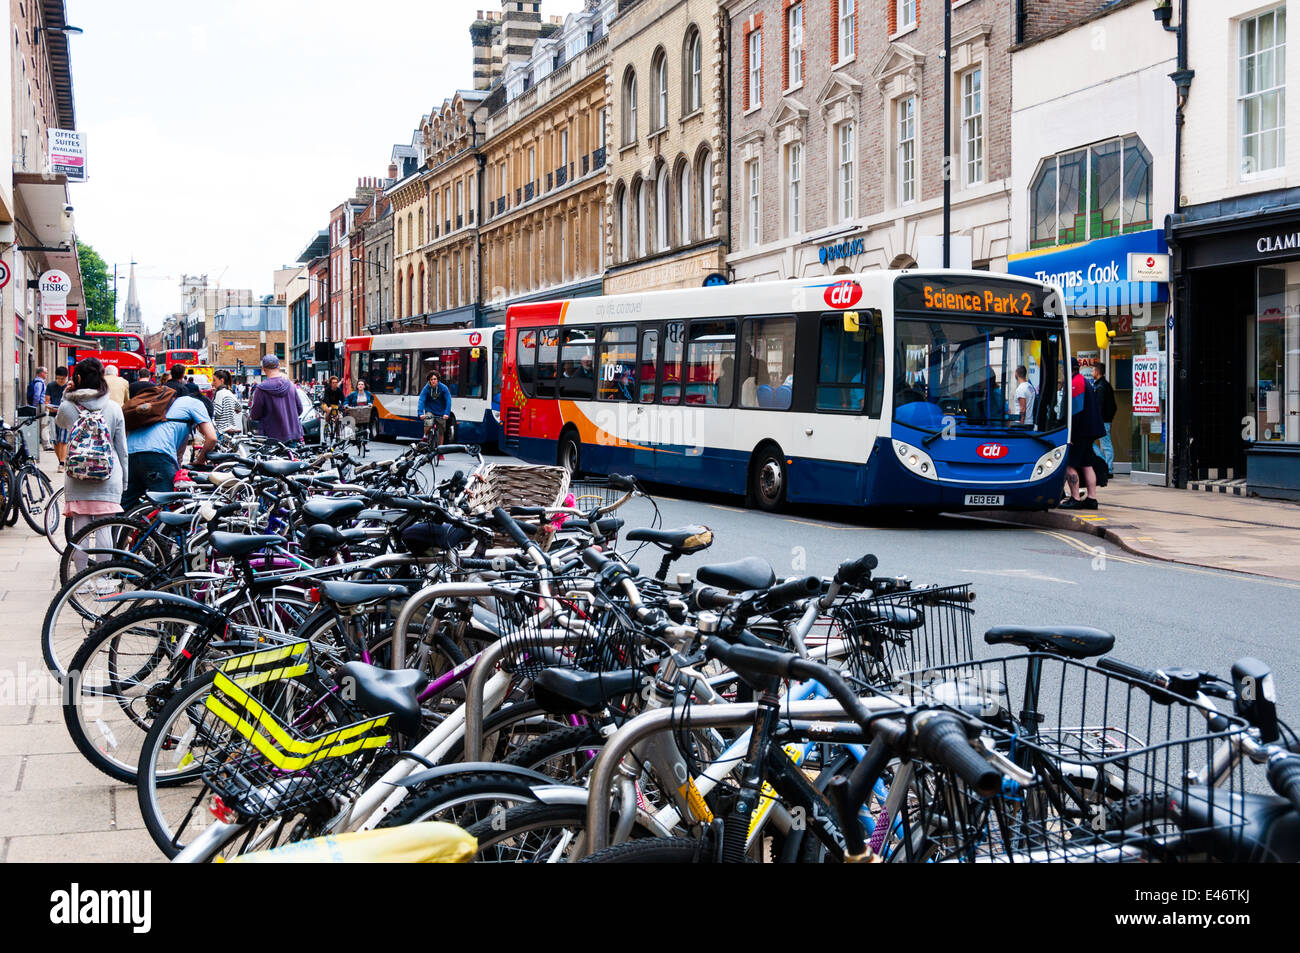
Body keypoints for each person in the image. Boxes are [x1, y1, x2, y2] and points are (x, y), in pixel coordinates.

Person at [56, 358, 129, 579]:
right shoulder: (114, 408)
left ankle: (81, 580)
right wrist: (125, 479)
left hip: (77, 476)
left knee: (81, 530)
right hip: (108, 475)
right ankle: (104, 580)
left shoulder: (68, 406)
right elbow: (122, 449)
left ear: (77, 378)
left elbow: (60, 422)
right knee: (105, 528)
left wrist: (65, 394)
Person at [121, 384, 216, 510]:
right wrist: (200, 460)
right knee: (172, 504)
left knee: (124, 506)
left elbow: (178, 454)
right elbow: (212, 438)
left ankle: (115, 526)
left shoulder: (166, 405)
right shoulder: (195, 403)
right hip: (156, 455)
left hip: (130, 453)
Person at [1061, 357, 1105, 510]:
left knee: (1069, 464)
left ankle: (1075, 498)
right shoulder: (1083, 381)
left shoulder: (1076, 383)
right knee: (1087, 464)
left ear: (1068, 368)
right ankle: (1091, 499)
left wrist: (1070, 435)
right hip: (1088, 431)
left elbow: (1076, 411)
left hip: (1079, 432)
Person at [248, 354, 305, 443]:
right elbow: (300, 410)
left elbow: (255, 415)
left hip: (271, 437)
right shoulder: (291, 385)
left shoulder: (261, 389)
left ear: (263, 368)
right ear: (279, 365)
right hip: (293, 435)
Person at [1092, 363, 1117, 472]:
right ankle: (1106, 465)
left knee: (1105, 444)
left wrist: (1099, 419)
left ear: (1097, 372)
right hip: (1104, 420)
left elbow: (1099, 405)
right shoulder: (1103, 385)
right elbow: (1113, 406)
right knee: (1101, 443)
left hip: (1101, 421)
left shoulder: (1101, 386)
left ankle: (1107, 467)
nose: (1092, 372)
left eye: (1093, 370)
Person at [417, 370, 452, 447]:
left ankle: (440, 450)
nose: (433, 381)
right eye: (431, 379)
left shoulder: (443, 388)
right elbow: (421, 401)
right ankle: (425, 436)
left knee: (441, 431)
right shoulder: (426, 389)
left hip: (441, 412)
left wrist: (446, 413)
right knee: (428, 424)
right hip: (430, 411)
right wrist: (420, 413)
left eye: (435, 379)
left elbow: (448, 401)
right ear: (429, 380)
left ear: (438, 380)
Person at [48, 366, 69, 472]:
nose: (60, 380)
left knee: (63, 440)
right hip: (52, 415)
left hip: (64, 416)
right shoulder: (50, 386)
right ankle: (60, 460)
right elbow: (47, 401)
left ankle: (62, 463)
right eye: (58, 378)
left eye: (62, 378)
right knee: (55, 441)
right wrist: (48, 406)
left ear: (66, 377)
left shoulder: (69, 387)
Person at [27, 366, 52, 449]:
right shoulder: (39, 382)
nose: (47, 374)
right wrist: (34, 407)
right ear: (41, 373)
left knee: (42, 425)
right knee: (44, 425)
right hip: (41, 406)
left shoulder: (38, 382)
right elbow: (37, 396)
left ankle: (42, 442)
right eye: (46, 372)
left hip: (40, 405)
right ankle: (46, 445)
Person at [211, 369, 243, 434]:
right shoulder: (230, 393)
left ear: (221, 381)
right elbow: (239, 408)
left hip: (221, 430)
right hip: (232, 428)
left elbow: (217, 413)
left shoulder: (219, 393)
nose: (212, 383)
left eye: (214, 380)